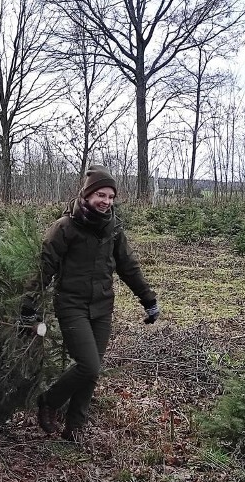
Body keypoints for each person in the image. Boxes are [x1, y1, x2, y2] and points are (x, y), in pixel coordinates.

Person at [21, 165, 159, 442]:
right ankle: (49, 401)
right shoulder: (65, 227)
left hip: (102, 307)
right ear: (87, 195)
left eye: (110, 197)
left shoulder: (113, 228)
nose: (106, 201)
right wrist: (29, 304)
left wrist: (148, 299)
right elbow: (44, 268)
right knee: (89, 366)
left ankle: (74, 430)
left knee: (91, 372)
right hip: (71, 305)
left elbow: (128, 267)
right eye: (101, 195)